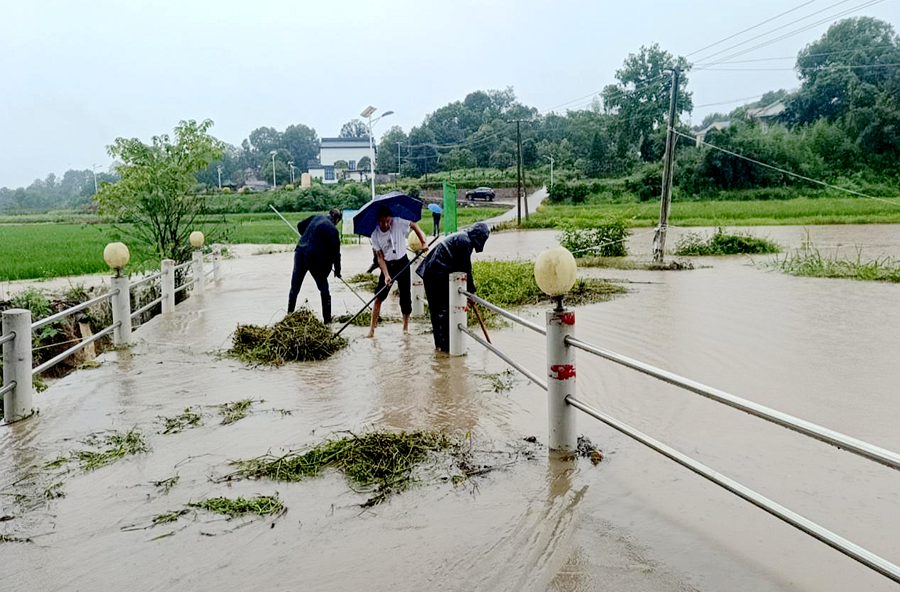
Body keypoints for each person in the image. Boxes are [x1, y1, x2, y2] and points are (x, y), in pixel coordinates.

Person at [416, 222, 490, 352]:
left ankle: (440, 349)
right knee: (443, 311)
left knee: (436, 312)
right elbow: (465, 269)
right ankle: (447, 348)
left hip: (431, 272)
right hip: (436, 274)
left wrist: (469, 292)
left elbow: (462, 268)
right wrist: (471, 293)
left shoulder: (463, 237)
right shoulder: (465, 242)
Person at [368, 205, 428, 337]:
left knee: (405, 296)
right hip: (388, 265)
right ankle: (372, 330)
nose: (385, 224)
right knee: (379, 297)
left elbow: (413, 225)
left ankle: (405, 328)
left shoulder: (398, 222)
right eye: (382, 222)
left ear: (390, 219)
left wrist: (423, 242)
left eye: (387, 221)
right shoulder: (375, 234)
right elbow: (380, 257)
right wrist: (386, 275)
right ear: (378, 220)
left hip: (403, 263)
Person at [287, 209, 342, 323]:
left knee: (295, 287)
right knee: (324, 289)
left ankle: (289, 315)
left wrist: (305, 236)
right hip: (313, 258)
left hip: (300, 252)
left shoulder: (317, 217)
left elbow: (300, 225)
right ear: (336, 220)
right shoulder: (333, 230)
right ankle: (327, 320)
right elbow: (336, 254)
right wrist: (337, 271)